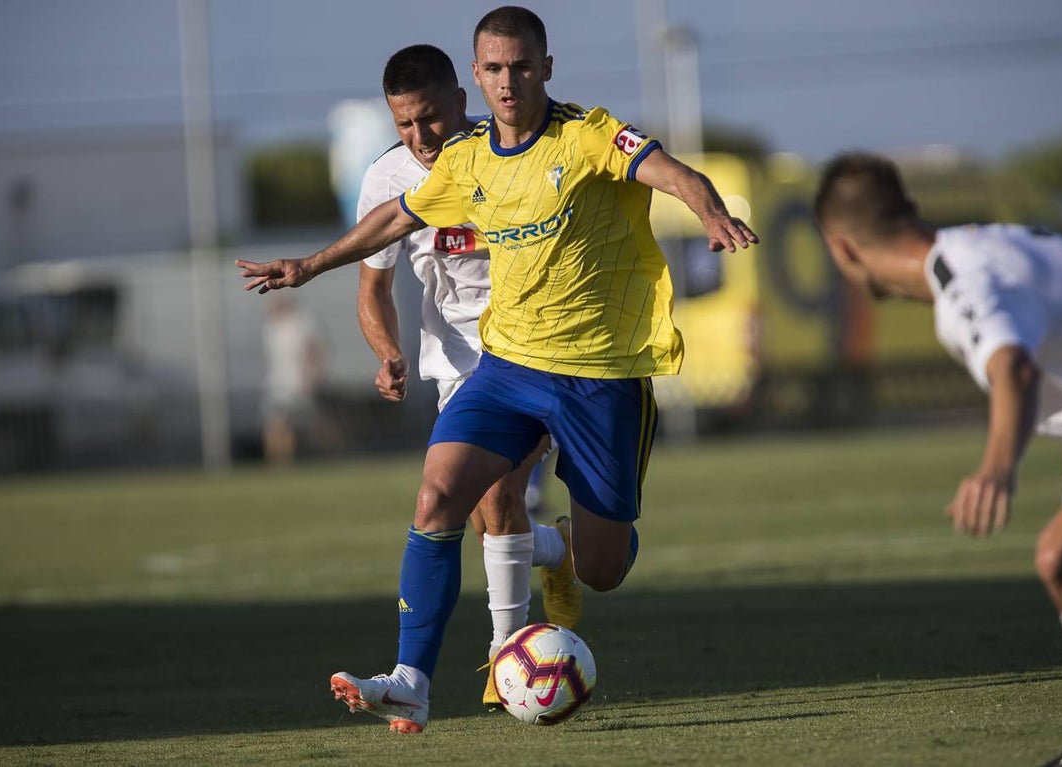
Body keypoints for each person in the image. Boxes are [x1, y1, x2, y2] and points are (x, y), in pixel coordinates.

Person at [236, 5, 757, 733]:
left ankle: (569, 547)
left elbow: (670, 169)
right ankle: (413, 680)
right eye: (494, 68)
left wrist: (709, 212)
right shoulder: (464, 159)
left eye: (520, 66)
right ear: (475, 76)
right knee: (439, 496)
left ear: (545, 67)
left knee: (603, 569)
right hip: (506, 365)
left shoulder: (587, 134)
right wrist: (310, 264)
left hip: (600, 373)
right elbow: (395, 218)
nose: (507, 81)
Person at [813, 152, 1062, 767]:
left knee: (1060, 554)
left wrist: (996, 467)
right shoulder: (978, 245)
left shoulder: (961, 282)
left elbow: (1012, 364)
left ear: (841, 250)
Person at [354, 43, 581, 712]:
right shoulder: (387, 178)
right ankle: (554, 552)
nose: (419, 136)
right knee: (487, 511)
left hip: (537, 352)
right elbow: (372, 290)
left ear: (459, 102)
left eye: (429, 118)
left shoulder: (512, 151)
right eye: (404, 123)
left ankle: (506, 654)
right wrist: (387, 350)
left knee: (497, 499)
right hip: (457, 366)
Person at [260, 295, 327, 465]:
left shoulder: (301, 321)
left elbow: (313, 349)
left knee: (311, 422)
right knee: (277, 422)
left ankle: (330, 452)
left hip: (298, 380)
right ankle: (279, 462)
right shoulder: (271, 326)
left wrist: (312, 375)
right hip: (277, 382)